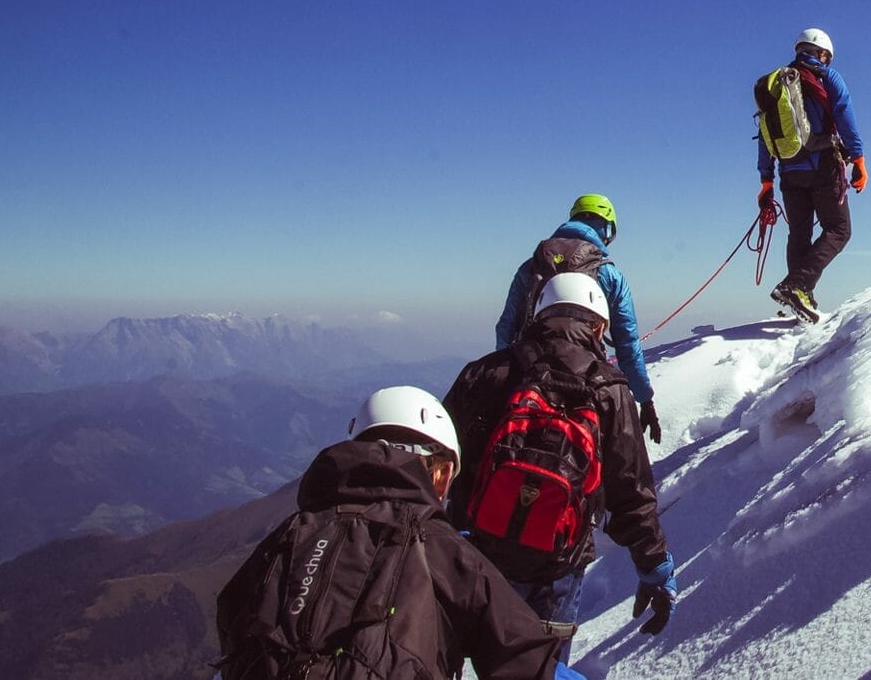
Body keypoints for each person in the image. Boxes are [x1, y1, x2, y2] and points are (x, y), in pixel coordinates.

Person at [214, 386, 586, 680]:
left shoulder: (290, 534)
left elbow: (232, 619)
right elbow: (527, 660)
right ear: (441, 473)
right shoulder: (442, 548)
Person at [445, 271, 677, 672]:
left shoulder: (486, 372)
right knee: (541, 668)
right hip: (556, 567)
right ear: (599, 326)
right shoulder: (609, 388)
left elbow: (440, 462)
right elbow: (631, 493)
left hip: (476, 555)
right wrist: (655, 568)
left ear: (539, 315)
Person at [491, 193, 660, 443]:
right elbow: (627, 344)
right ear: (607, 229)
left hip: (528, 378)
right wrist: (645, 400)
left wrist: (503, 379)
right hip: (585, 386)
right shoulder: (609, 274)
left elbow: (506, 327)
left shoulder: (531, 267)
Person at [758, 27, 866, 324]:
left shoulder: (776, 84)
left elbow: (765, 135)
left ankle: (801, 295)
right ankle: (796, 286)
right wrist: (858, 157)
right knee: (839, 229)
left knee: (799, 233)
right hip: (822, 165)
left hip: (788, 171)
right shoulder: (826, 76)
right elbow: (844, 112)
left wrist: (766, 181)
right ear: (821, 53)